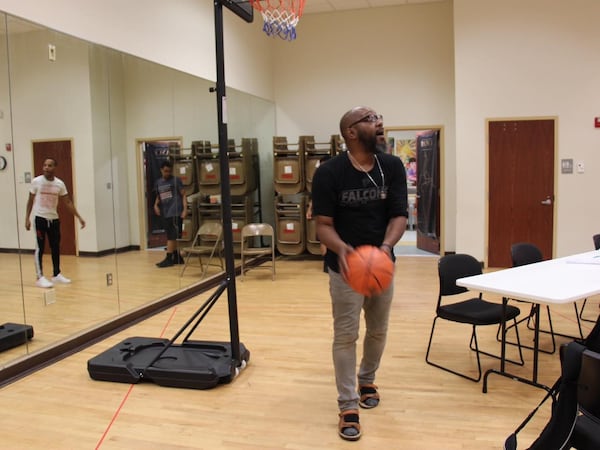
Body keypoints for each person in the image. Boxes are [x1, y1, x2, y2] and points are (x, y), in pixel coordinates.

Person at [312, 106, 408, 441]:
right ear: (351, 132)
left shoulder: (392, 166)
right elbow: (323, 226)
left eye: (378, 116)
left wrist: (385, 247)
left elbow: (399, 216)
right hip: (344, 269)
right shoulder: (328, 172)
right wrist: (343, 250)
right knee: (345, 335)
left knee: (378, 331)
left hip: (382, 265)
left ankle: (368, 379)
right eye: (370, 119)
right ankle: (348, 404)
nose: (379, 122)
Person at [25, 157, 86, 288]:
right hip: (40, 218)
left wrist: (79, 217)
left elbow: (68, 202)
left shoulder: (59, 184)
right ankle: (39, 277)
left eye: (50, 165)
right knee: (40, 247)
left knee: (55, 246)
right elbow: (30, 200)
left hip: (54, 219)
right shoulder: (37, 182)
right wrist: (27, 218)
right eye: (45, 165)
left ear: (55, 168)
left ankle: (56, 274)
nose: (46, 167)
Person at [154, 160, 187, 267]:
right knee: (171, 235)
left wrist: (185, 209)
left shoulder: (176, 180)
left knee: (172, 236)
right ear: (161, 170)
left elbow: (183, 195)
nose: (167, 173)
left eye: (169, 171)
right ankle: (177, 257)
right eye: (165, 171)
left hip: (175, 211)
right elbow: (159, 196)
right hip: (166, 212)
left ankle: (168, 258)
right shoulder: (159, 182)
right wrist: (155, 205)